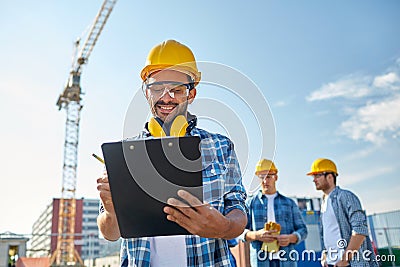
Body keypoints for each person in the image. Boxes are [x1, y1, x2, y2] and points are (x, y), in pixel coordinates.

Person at [96, 39, 247, 267]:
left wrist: (224, 228)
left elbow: (238, 209)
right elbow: (110, 233)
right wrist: (111, 211)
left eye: (177, 90)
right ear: (146, 93)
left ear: (192, 94)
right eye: (157, 89)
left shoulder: (221, 148)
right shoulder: (123, 155)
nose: (166, 98)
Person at [307, 158, 378, 267]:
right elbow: (329, 234)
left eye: (317, 175)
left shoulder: (346, 196)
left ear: (330, 176)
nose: (314, 180)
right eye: (313, 176)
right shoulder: (324, 203)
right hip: (332, 263)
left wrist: (345, 260)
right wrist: (325, 255)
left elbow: (360, 230)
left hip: (349, 263)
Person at [240, 159, 308, 267]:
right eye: (261, 177)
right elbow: (240, 232)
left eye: (268, 177)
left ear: (276, 177)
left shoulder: (289, 203)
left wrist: (291, 238)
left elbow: (303, 230)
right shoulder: (250, 204)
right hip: (260, 261)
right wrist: (256, 235)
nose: (265, 181)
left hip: (287, 260)